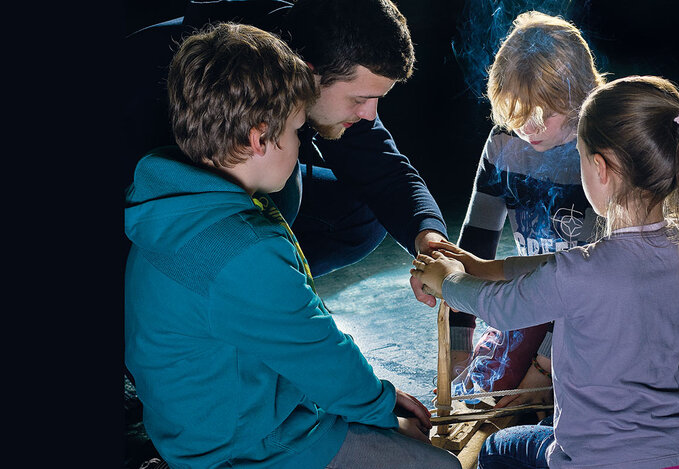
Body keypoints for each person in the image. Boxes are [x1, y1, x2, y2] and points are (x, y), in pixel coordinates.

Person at [124, 23, 460, 469]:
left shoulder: (164, 208)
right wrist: (381, 407)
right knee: (441, 466)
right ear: (259, 137)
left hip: (198, 426)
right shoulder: (245, 253)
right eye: (298, 131)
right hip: (250, 446)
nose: (303, 144)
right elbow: (319, 350)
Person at [411, 74, 679, 468]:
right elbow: (559, 268)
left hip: (598, 461)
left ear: (600, 167)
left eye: (578, 156)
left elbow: (500, 307)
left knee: (495, 449)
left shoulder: (580, 273)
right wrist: (483, 265)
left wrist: (447, 280)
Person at [123, 0, 449, 287]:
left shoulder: (321, 49)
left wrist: (432, 242)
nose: (368, 116)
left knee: (360, 212)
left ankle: (271, 289)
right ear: (308, 75)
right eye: (360, 99)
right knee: (284, 188)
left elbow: (384, 170)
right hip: (133, 190)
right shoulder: (190, 87)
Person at [439, 11, 604, 408]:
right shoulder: (503, 145)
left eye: (544, 115)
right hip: (533, 300)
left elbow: (591, 287)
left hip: (591, 313)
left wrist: (543, 370)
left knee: (533, 404)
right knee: (482, 390)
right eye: (516, 114)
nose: (528, 129)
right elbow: (473, 251)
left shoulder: (601, 156)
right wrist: (459, 348)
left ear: (578, 95)